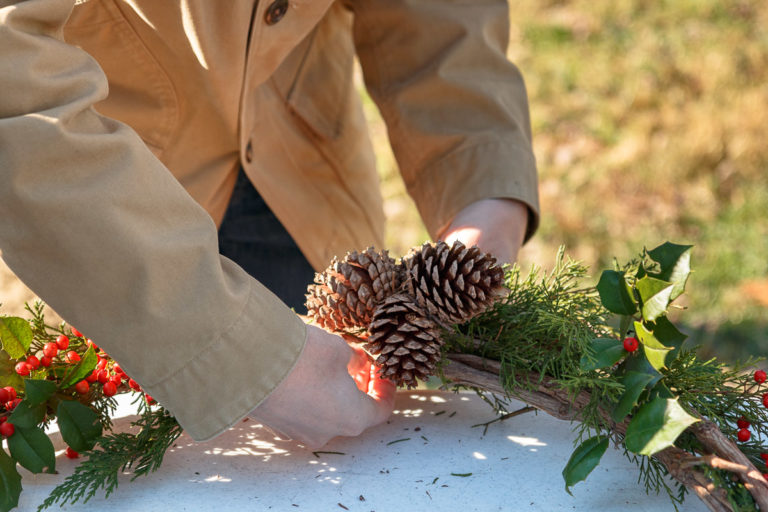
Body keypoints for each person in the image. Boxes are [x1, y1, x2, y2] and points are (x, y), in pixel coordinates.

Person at [0, 0, 539, 448]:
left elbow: (438, 15)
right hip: (116, 213)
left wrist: (484, 191)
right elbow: (14, 80)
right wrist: (233, 352)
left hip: (310, 183)